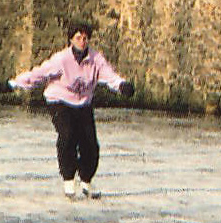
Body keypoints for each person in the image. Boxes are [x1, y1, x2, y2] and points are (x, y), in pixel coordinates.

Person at [7, 21, 134, 199]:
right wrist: (14, 83)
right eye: (78, 38)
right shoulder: (61, 59)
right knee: (67, 136)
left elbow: (108, 75)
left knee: (90, 144)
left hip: (83, 104)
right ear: (71, 40)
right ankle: (68, 179)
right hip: (60, 100)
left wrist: (121, 85)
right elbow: (39, 74)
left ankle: (86, 181)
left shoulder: (95, 59)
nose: (82, 41)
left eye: (85, 38)